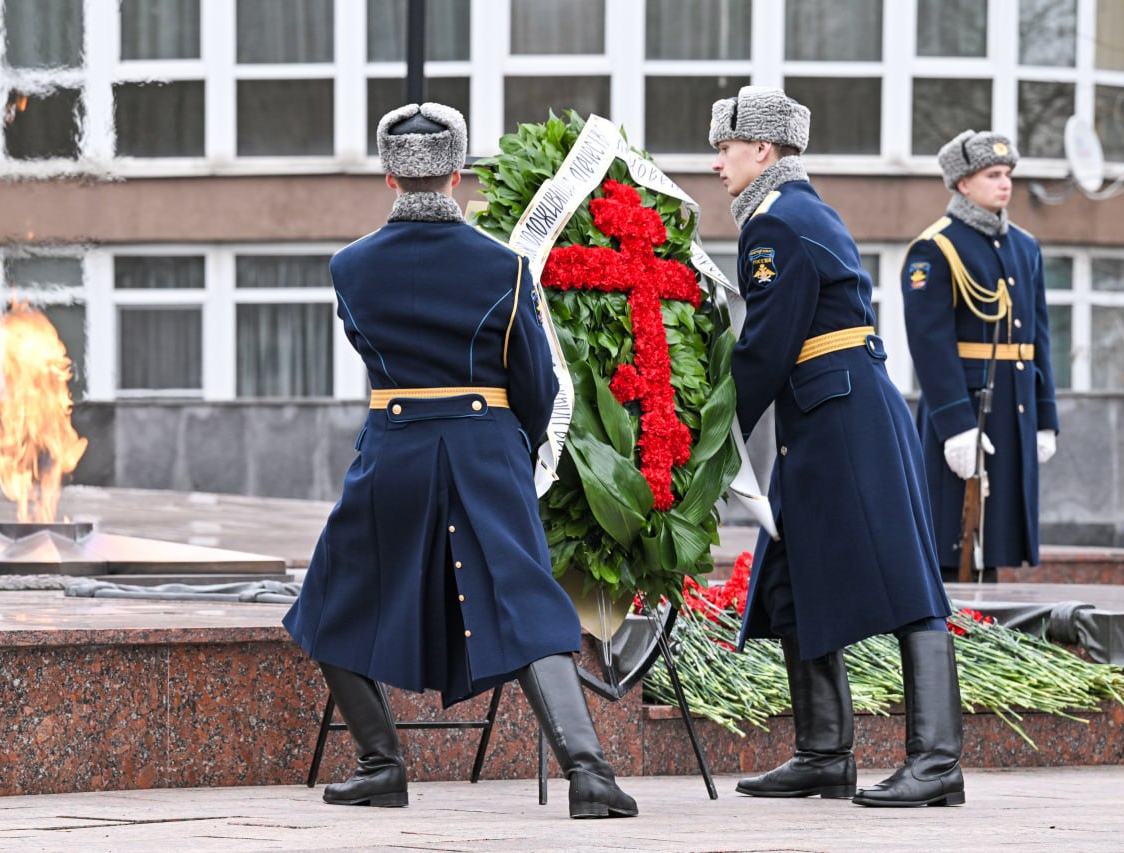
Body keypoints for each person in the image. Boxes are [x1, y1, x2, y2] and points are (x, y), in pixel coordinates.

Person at [282, 102, 637, 820]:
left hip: (394, 446)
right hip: (485, 446)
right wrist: (517, 446)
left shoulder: (348, 267)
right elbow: (535, 379)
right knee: (528, 600)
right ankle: (590, 772)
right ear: (458, 173)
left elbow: (368, 351)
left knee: (330, 596)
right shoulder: (502, 265)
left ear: (389, 178)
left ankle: (382, 763)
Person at [708, 86, 964, 808]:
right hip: (827, 412)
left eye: (726, 148)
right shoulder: (794, 210)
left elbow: (765, 346)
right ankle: (824, 752)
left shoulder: (776, 223)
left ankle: (937, 760)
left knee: (906, 578)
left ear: (763, 149)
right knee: (792, 576)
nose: (718, 162)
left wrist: (706, 429)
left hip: (840, 416)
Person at [901, 130, 1060, 583]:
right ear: (963, 184)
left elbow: (1038, 338)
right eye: (993, 174)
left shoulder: (1025, 247)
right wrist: (956, 426)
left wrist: (1046, 417)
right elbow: (929, 344)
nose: (1005, 183)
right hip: (967, 409)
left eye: (1008, 174)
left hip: (1014, 407)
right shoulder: (935, 247)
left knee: (999, 539)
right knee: (954, 536)